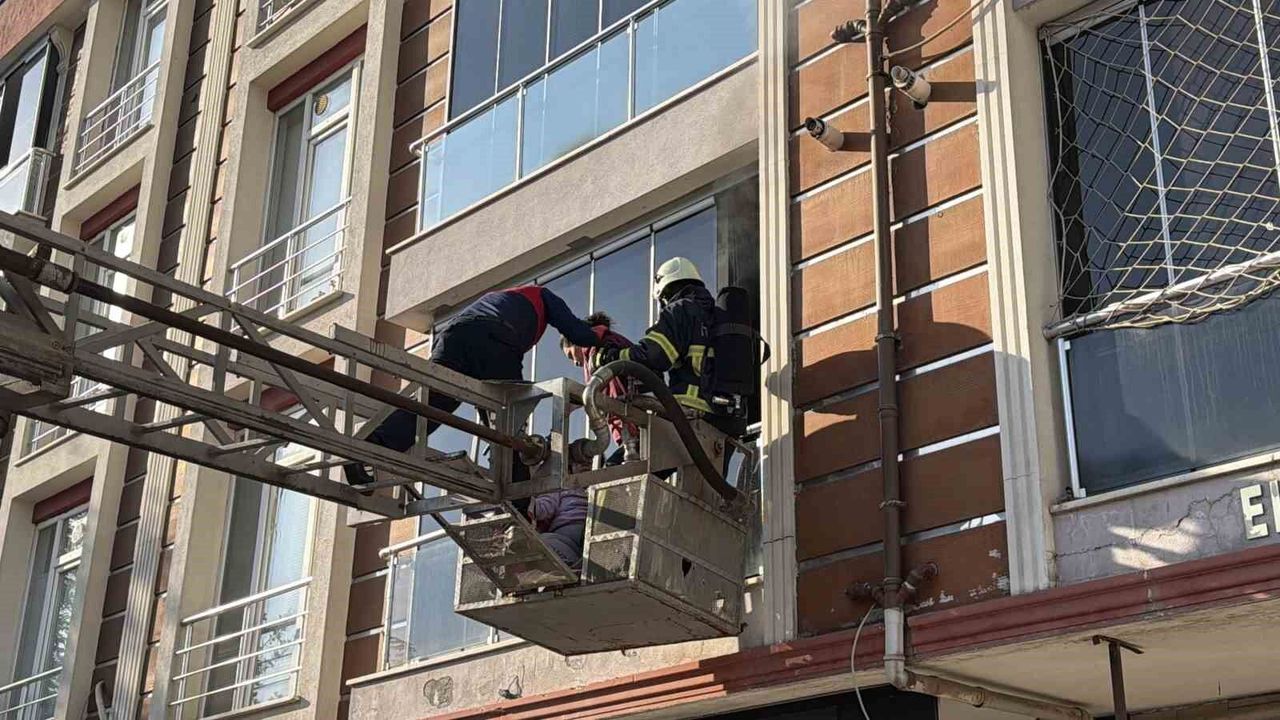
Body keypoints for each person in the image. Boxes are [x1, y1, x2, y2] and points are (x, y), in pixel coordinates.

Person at [345, 285, 601, 487]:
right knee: (509, 419)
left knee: (432, 406)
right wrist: (605, 336)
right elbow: (579, 333)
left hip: (452, 337)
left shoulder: (504, 299)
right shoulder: (544, 296)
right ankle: (518, 501)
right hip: (492, 337)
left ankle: (370, 448)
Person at [592, 257, 748, 466]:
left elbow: (654, 355)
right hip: (727, 422)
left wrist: (613, 357)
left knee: (618, 468)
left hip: (691, 417)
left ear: (665, 293)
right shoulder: (717, 316)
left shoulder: (680, 310)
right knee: (706, 485)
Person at [561, 311, 636, 466]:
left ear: (575, 340)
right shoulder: (604, 343)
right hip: (634, 427)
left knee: (612, 470)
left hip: (633, 427)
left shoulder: (597, 347)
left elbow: (600, 392)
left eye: (571, 355)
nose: (575, 363)